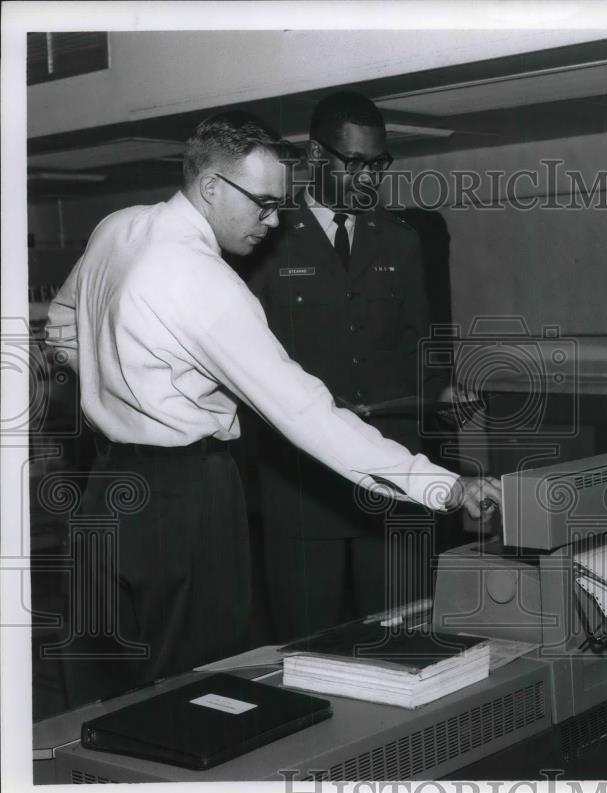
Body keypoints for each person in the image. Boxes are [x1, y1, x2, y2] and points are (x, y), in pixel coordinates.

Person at [45, 111, 499, 702]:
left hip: (107, 486)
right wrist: (441, 485)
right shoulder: (207, 283)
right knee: (199, 690)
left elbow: (60, 326)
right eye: (261, 203)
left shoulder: (119, 227)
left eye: (278, 204)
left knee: (106, 684)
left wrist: (122, 382)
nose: (271, 220)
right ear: (210, 187)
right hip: (188, 496)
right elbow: (306, 413)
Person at [230, 92, 467, 638]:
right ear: (316, 156)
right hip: (301, 490)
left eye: (377, 164)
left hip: (391, 490)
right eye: (353, 162)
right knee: (306, 643)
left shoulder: (402, 241)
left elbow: (424, 350)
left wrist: (437, 398)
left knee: (403, 638)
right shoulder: (267, 240)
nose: (367, 177)